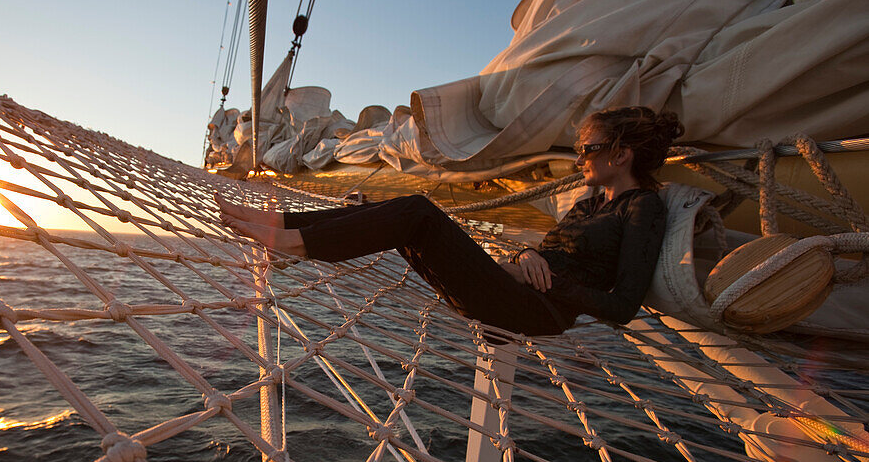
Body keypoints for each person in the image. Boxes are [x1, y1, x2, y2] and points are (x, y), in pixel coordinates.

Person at [217, 106, 683, 338]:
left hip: (534, 311)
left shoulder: (642, 209)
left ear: (621, 156)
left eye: (589, 149)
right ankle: (284, 222)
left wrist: (546, 283)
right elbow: (549, 249)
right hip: (509, 285)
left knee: (418, 211)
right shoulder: (588, 203)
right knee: (399, 214)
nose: (579, 157)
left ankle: (293, 242)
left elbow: (623, 306)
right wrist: (526, 255)